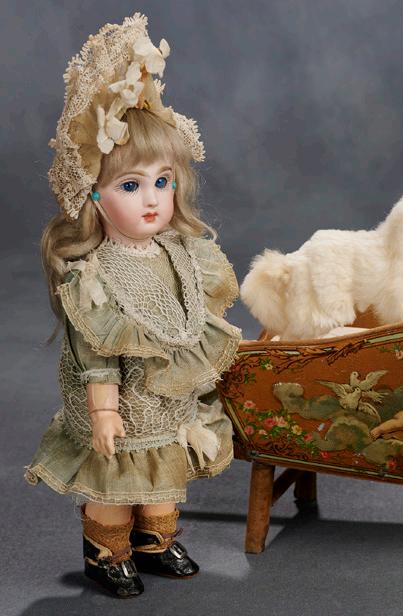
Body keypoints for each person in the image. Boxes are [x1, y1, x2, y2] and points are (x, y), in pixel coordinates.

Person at [24, 14, 242, 598]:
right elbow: (95, 350)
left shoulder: (181, 252)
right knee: (117, 483)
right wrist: (102, 409)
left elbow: (194, 316)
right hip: (119, 406)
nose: (152, 200)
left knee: (164, 478)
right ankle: (107, 551)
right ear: (93, 195)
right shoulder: (93, 274)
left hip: (166, 401)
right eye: (130, 186)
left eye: (162, 182)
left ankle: (156, 540)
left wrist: (205, 373)